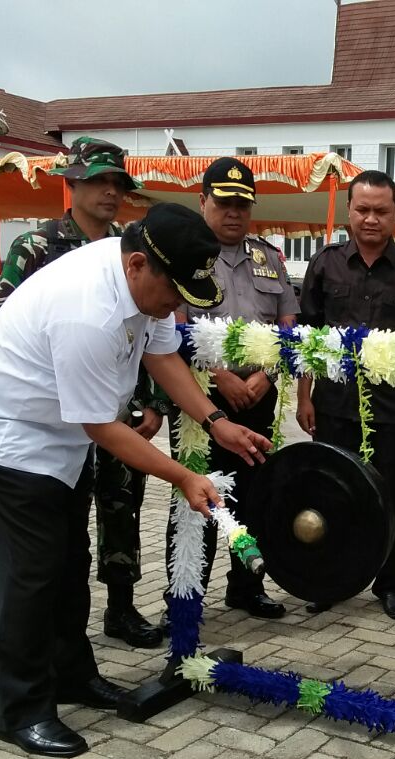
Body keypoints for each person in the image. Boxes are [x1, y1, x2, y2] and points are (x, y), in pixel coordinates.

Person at [0, 203, 272, 758]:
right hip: (6, 439)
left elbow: (163, 354)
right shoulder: (87, 310)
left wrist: (215, 423)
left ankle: (72, 676)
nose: (175, 305)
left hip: (60, 441)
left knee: (68, 563)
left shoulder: (150, 280)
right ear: (138, 265)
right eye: (172, 293)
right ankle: (21, 709)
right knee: (27, 575)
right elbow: (101, 425)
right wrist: (184, 476)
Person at [0, 136, 165, 648]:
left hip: (120, 409)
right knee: (60, 525)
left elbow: (149, 332)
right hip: (57, 414)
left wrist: (151, 400)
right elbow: (4, 324)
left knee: (121, 504)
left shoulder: (132, 247)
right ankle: (59, 631)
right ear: (72, 183)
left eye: (118, 184)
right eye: (99, 181)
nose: (110, 193)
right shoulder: (37, 247)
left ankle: (121, 606)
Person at [296, 169, 395, 620]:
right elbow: (308, 338)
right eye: (362, 209)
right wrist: (304, 397)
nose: (370, 219)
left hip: (393, 409)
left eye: (380, 211)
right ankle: (331, 579)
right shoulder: (325, 264)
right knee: (331, 491)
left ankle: (388, 583)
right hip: (334, 405)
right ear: (349, 211)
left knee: (388, 496)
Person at [159, 157, 298, 623]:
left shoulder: (270, 258)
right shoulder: (182, 253)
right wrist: (221, 376)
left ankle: (246, 587)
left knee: (255, 495)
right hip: (201, 395)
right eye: (224, 202)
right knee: (195, 495)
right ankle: (185, 594)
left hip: (259, 394)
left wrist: (265, 375)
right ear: (203, 202)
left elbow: (287, 328)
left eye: (243, 203)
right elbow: (173, 327)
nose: (234, 212)